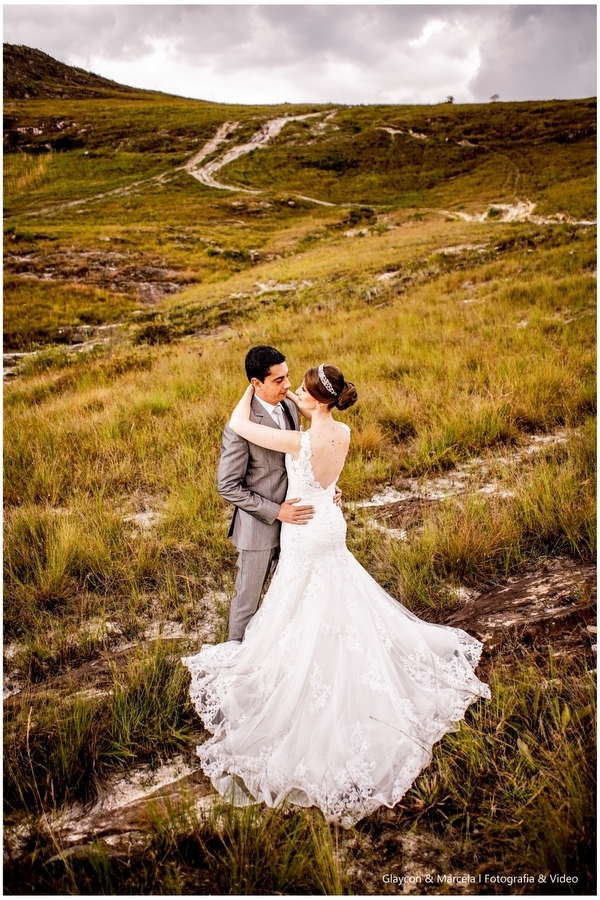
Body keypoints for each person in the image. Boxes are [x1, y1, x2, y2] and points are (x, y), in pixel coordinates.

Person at [183, 363, 490, 827]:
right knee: (335, 592)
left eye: (301, 391)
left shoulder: (300, 441)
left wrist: (249, 391)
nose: (294, 394)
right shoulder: (342, 432)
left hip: (305, 530)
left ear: (318, 400)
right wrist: (301, 409)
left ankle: (303, 669)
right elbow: (323, 468)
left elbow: (239, 425)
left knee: (301, 596)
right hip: (328, 520)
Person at [217, 345, 310, 642]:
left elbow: (299, 459)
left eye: (288, 376)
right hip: (258, 529)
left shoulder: (289, 407)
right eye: (279, 380)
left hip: (296, 525)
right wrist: (276, 511)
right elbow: (227, 485)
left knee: (290, 595)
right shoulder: (239, 426)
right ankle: (235, 655)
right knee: (248, 600)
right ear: (256, 383)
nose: (288, 385)